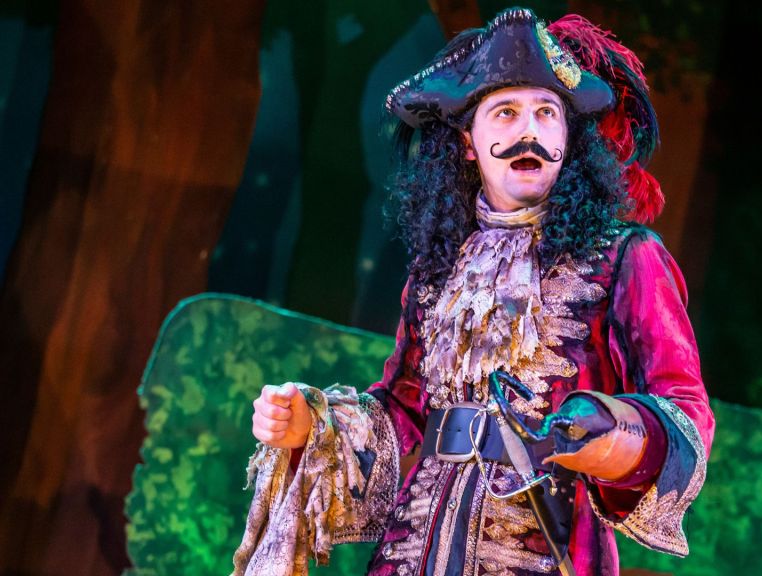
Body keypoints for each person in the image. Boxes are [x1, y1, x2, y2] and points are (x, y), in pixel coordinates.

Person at [233, 8, 714, 576]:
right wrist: (313, 427)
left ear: (567, 137)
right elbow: (403, 410)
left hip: (548, 545)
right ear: (468, 142)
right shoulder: (439, 272)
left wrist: (610, 432)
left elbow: (685, 410)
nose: (529, 132)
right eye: (505, 113)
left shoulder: (625, 257)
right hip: (415, 550)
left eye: (546, 113)